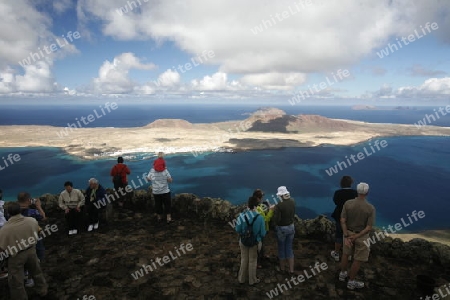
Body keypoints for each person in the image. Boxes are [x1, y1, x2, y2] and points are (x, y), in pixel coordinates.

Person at [0, 202, 48, 299]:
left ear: (8, 213)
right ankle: (42, 291)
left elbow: (2, 248)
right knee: (37, 272)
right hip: (31, 251)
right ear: (20, 210)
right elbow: (39, 232)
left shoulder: (5, 229)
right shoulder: (31, 221)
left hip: (16, 256)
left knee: (16, 281)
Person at [339, 182, 376, 290]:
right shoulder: (370, 208)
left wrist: (346, 235)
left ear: (357, 191)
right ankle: (351, 282)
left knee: (345, 254)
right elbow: (369, 227)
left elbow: (342, 220)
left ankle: (342, 274)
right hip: (361, 236)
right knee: (357, 259)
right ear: (367, 193)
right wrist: (356, 236)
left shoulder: (348, 203)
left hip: (348, 233)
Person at [235, 196, 266, 286]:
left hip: (243, 241)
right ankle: (252, 280)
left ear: (248, 204)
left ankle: (241, 279)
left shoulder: (241, 216)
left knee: (244, 259)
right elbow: (263, 233)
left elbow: (237, 229)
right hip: (255, 242)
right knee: (252, 261)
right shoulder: (260, 218)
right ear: (257, 205)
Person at [331, 176, 358, 262]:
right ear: (351, 183)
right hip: (351, 217)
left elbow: (335, 202)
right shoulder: (355, 193)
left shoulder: (338, 193)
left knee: (339, 234)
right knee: (349, 234)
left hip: (339, 215)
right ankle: (348, 254)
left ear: (341, 183)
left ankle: (336, 253)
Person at [271, 186, 296, 274]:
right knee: (289, 248)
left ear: (281, 195)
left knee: (281, 248)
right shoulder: (293, 201)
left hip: (282, 228)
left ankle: (282, 269)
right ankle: (291, 270)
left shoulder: (279, 205)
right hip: (291, 227)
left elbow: (277, 220)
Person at [253, 189, 274, 268]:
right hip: (260, 230)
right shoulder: (258, 208)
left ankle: (262, 256)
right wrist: (271, 210)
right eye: (261, 197)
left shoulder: (255, 206)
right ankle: (258, 262)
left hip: (259, 229)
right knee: (259, 245)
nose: (262, 198)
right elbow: (265, 219)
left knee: (261, 244)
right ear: (258, 198)